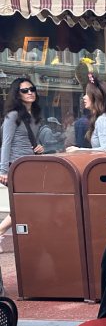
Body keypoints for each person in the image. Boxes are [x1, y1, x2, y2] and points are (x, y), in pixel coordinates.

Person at [0, 78, 46, 244]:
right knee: (24, 204)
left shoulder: (33, 116)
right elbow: (6, 142)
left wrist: (39, 148)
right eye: (24, 90)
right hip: (15, 166)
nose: (30, 93)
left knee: (26, 203)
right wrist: (3, 170)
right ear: (17, 95)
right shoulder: (12, 116)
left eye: (31, 89)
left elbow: (30, 142)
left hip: (28, 165)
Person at [67, 81, 106, 156]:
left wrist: (79, 151)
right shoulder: (104, 118)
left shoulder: (103, 119)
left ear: (96, 96)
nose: (84, 97)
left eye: (87, 94)